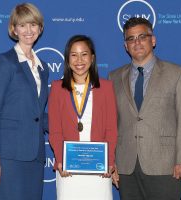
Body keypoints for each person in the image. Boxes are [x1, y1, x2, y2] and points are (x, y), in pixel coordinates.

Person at [109, 17, 181, 200]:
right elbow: (111, 123)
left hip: (165, 165)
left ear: (153, 40)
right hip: (126, 166)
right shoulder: (114, 77)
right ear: (125, 45)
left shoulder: (178, 74)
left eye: (142, 36)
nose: (137, 42)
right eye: (131, 38)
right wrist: (111, 161)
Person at [0, 3, 49, 200]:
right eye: (22, 25)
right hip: (8, 157)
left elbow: (37, 113)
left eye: (33, 25)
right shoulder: (5, 62)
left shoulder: (43, 68)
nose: (28, 31)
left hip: (35, 156)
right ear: (14, 29)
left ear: (40, 28)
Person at [48, 35, 117, 200]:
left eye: (84, 54)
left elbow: (111, 129)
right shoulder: (57, 88)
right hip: (68, 169)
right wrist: (60, 159)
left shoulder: (106, 87)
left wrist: (109, 161)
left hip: (99, 168)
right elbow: (55, 130)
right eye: (74, 55)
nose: (79, 60)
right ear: (67, 59)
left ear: (92, 58)